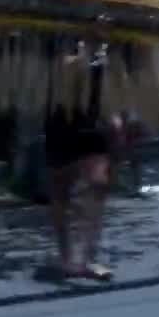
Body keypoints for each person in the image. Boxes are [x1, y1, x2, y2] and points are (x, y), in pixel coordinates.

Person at [44, 38, 113, 281]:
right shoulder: (60, 40)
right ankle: (66, 258)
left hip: (92, 124)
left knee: (98, 185)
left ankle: (87, 258)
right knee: (60, 194)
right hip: (61, 123)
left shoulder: (107, 46)